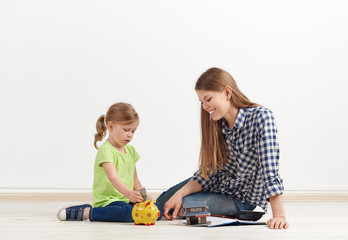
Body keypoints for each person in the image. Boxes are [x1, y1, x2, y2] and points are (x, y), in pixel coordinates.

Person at [156, 67, 289, 229]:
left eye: (208, 99)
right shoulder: (218, 125)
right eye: (202, 102)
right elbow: (208, 172)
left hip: (240, 198)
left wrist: (279, 216)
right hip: (219, 186)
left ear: (227, 93)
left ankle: (227, 213)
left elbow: (269, 170)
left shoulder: (262, 117)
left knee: (183, 206)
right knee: (164, 202)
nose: (205, 106)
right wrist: (180, 193)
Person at [57, 102, 163, 222]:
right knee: (129, 213)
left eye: (133, 131)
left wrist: (145, 198)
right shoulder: (106, 151)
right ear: (111, 126)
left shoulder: (131, 151)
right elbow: (113, 178)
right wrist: (129, 194)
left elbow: (135, 180)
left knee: (157, 210)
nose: (130, 135)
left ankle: (139, 208)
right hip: (108, 201)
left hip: (126, 200)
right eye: (126, 130)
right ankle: (87, 212)